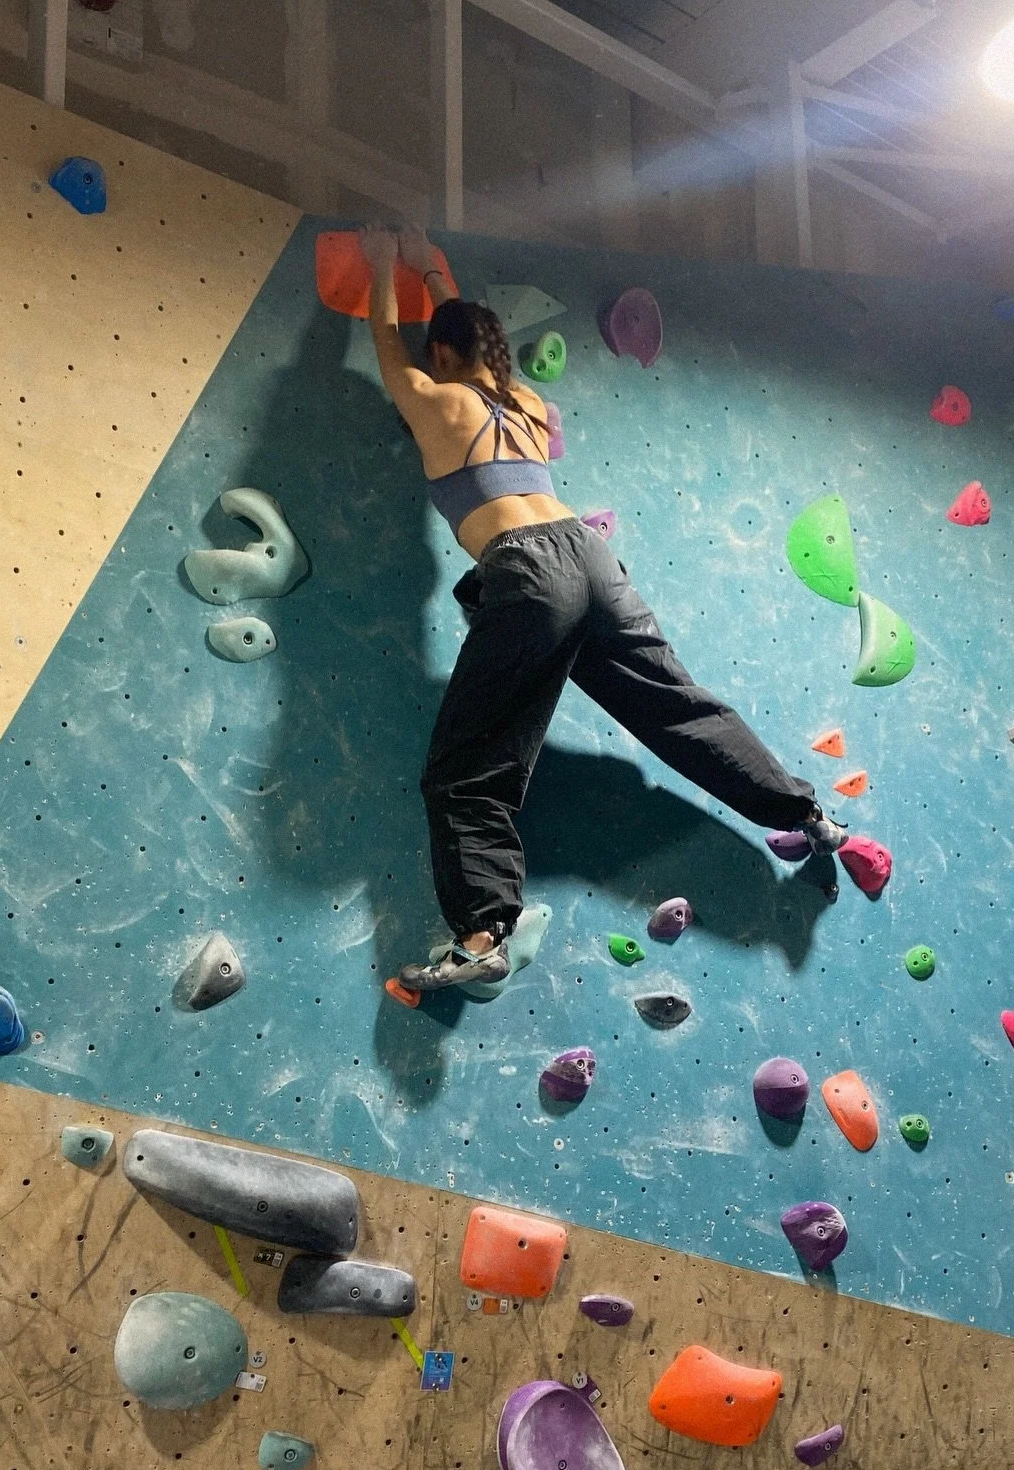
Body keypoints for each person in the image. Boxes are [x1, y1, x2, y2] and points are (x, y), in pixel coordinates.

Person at [358, 223, 845, 992]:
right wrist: (432, 272)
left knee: (466, 772)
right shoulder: (521, 400)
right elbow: (472, 339)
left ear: (442, 357)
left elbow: (386, 337)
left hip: (522, 572)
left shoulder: (429, 398)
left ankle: (483, 934)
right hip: (589, 555)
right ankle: (807, 815)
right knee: (675, 706)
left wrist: (384, 267)